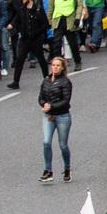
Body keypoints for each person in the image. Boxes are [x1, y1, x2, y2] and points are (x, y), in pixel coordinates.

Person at [37, 53, 73, 185]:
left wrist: (51, 106)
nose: (55, 68)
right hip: (48, 116)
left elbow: (65, 100)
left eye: (58, 65)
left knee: (63, 145)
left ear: (62, 68)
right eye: (53, 65)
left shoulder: (65, 82)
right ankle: (48, 171)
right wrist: (44, 104)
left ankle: (67, 169)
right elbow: (40, 97)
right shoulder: (46, 81)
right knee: (46, 142)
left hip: (62, 116)